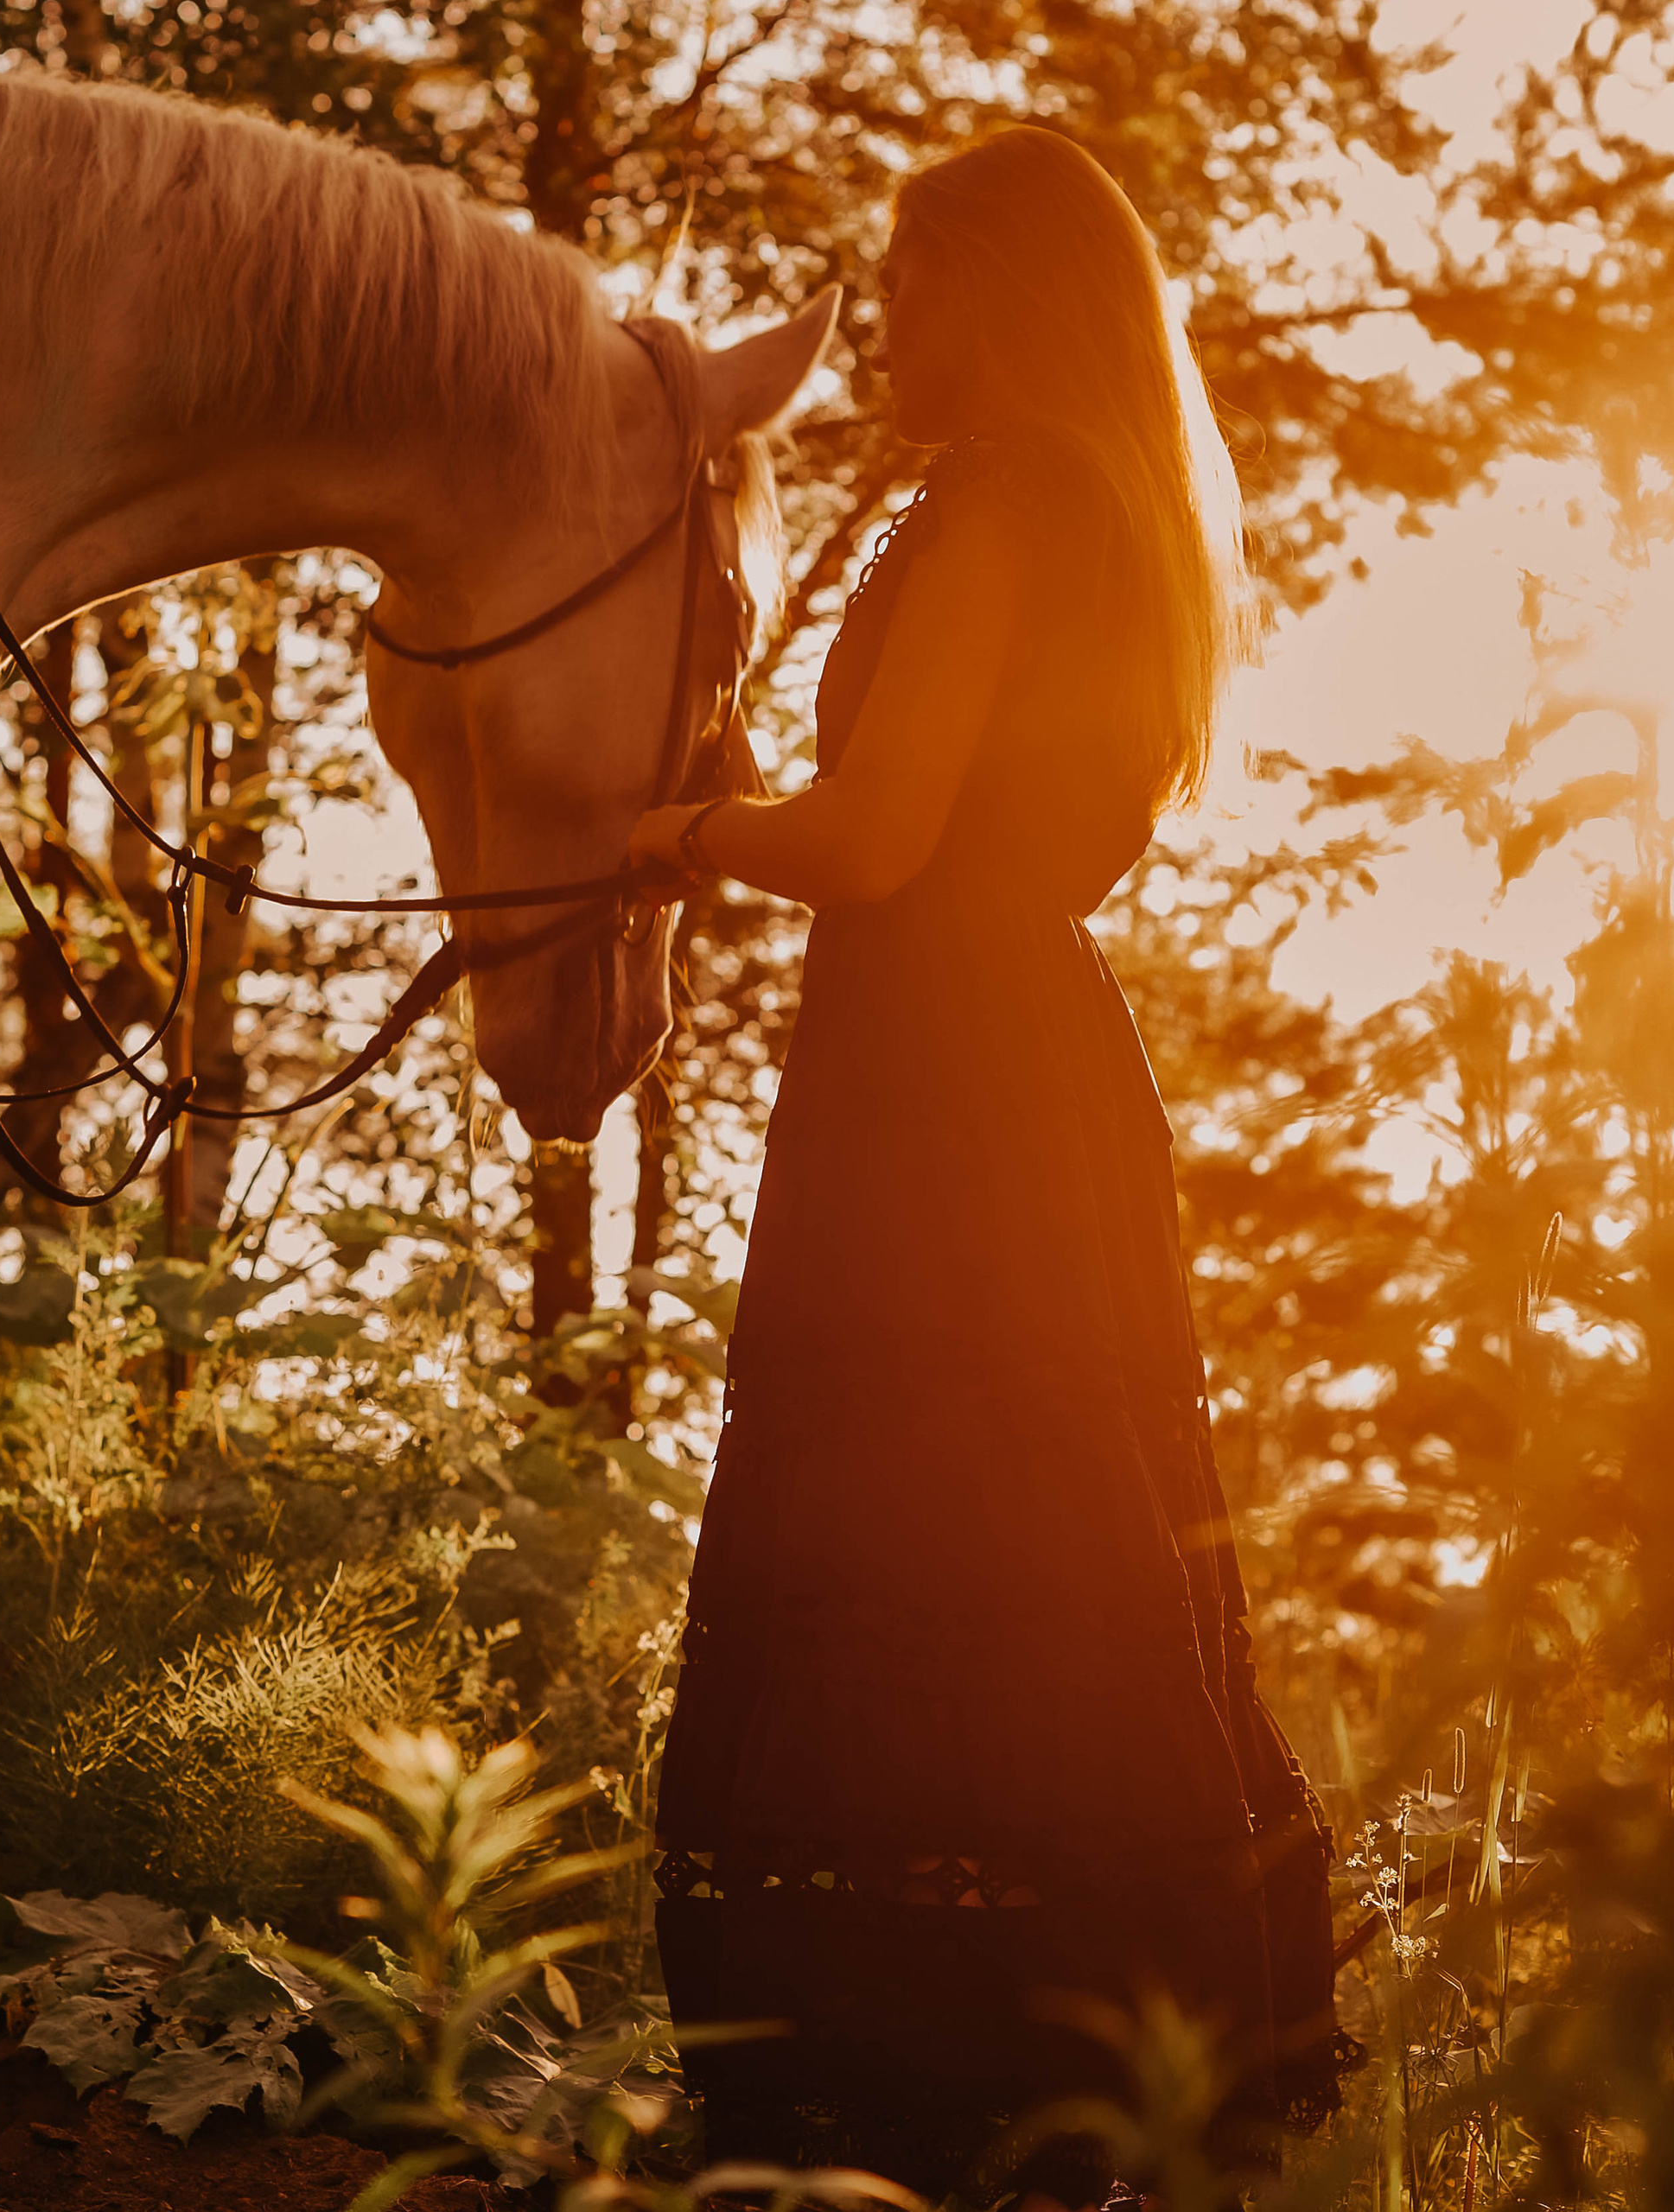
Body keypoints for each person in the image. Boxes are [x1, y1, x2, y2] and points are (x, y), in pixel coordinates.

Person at [627, 128, 1347, 2205]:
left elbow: (873, 840)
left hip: (938, 1088)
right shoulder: (1075, 505)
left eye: (911, 282)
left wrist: (684, 836)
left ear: (1002, 299)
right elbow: (912, 802)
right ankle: (1036, 2070)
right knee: (1025, 1543)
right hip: (1008, 1066)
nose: (883, 320)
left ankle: (919, 2080)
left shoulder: (1007, 501)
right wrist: (746, 790)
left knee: (925, 1515)